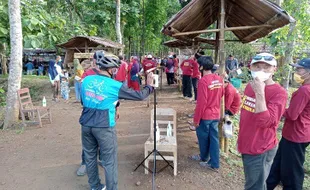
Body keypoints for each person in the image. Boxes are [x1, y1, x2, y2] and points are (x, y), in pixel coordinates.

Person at [80, 50, 153, 190]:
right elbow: (140, 96)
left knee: (90, 158)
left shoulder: (86, 80)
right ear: (112, 69)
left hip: (86, 123)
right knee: (109, 161)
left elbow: (83, 101)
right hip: (104, 125)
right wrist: (149, 85)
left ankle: (95, 187)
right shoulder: (114, 85)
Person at [237, 53, 287, 190]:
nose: (261, 71)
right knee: (257, 184)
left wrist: (260, 92)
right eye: (257, 66)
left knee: (254, 186)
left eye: (266, 67)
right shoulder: (249, 86)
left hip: (260, 147)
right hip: (247, 142)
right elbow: (246, 114)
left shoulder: (279, 93)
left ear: (274, 69)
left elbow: (266, 122)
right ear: (250, 67)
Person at [267, 58, 310, 190]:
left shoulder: (304, 90)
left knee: (292, 174)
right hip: (298, 133)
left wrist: (278, 109)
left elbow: (292, 114)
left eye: (300, 69)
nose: (297, 72)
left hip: (295, 135)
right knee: (277, 165)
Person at [189, 56, 224, 172]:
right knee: (214, 139)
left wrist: (196, 120)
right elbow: (222, 93)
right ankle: (215, 163)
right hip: (215, 114)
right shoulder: (219, 79)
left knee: (203, 138)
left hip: (206, 115)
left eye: (199, 65)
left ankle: (204, 157)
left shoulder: (203, 81)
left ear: (202, 67)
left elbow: (201, 104)